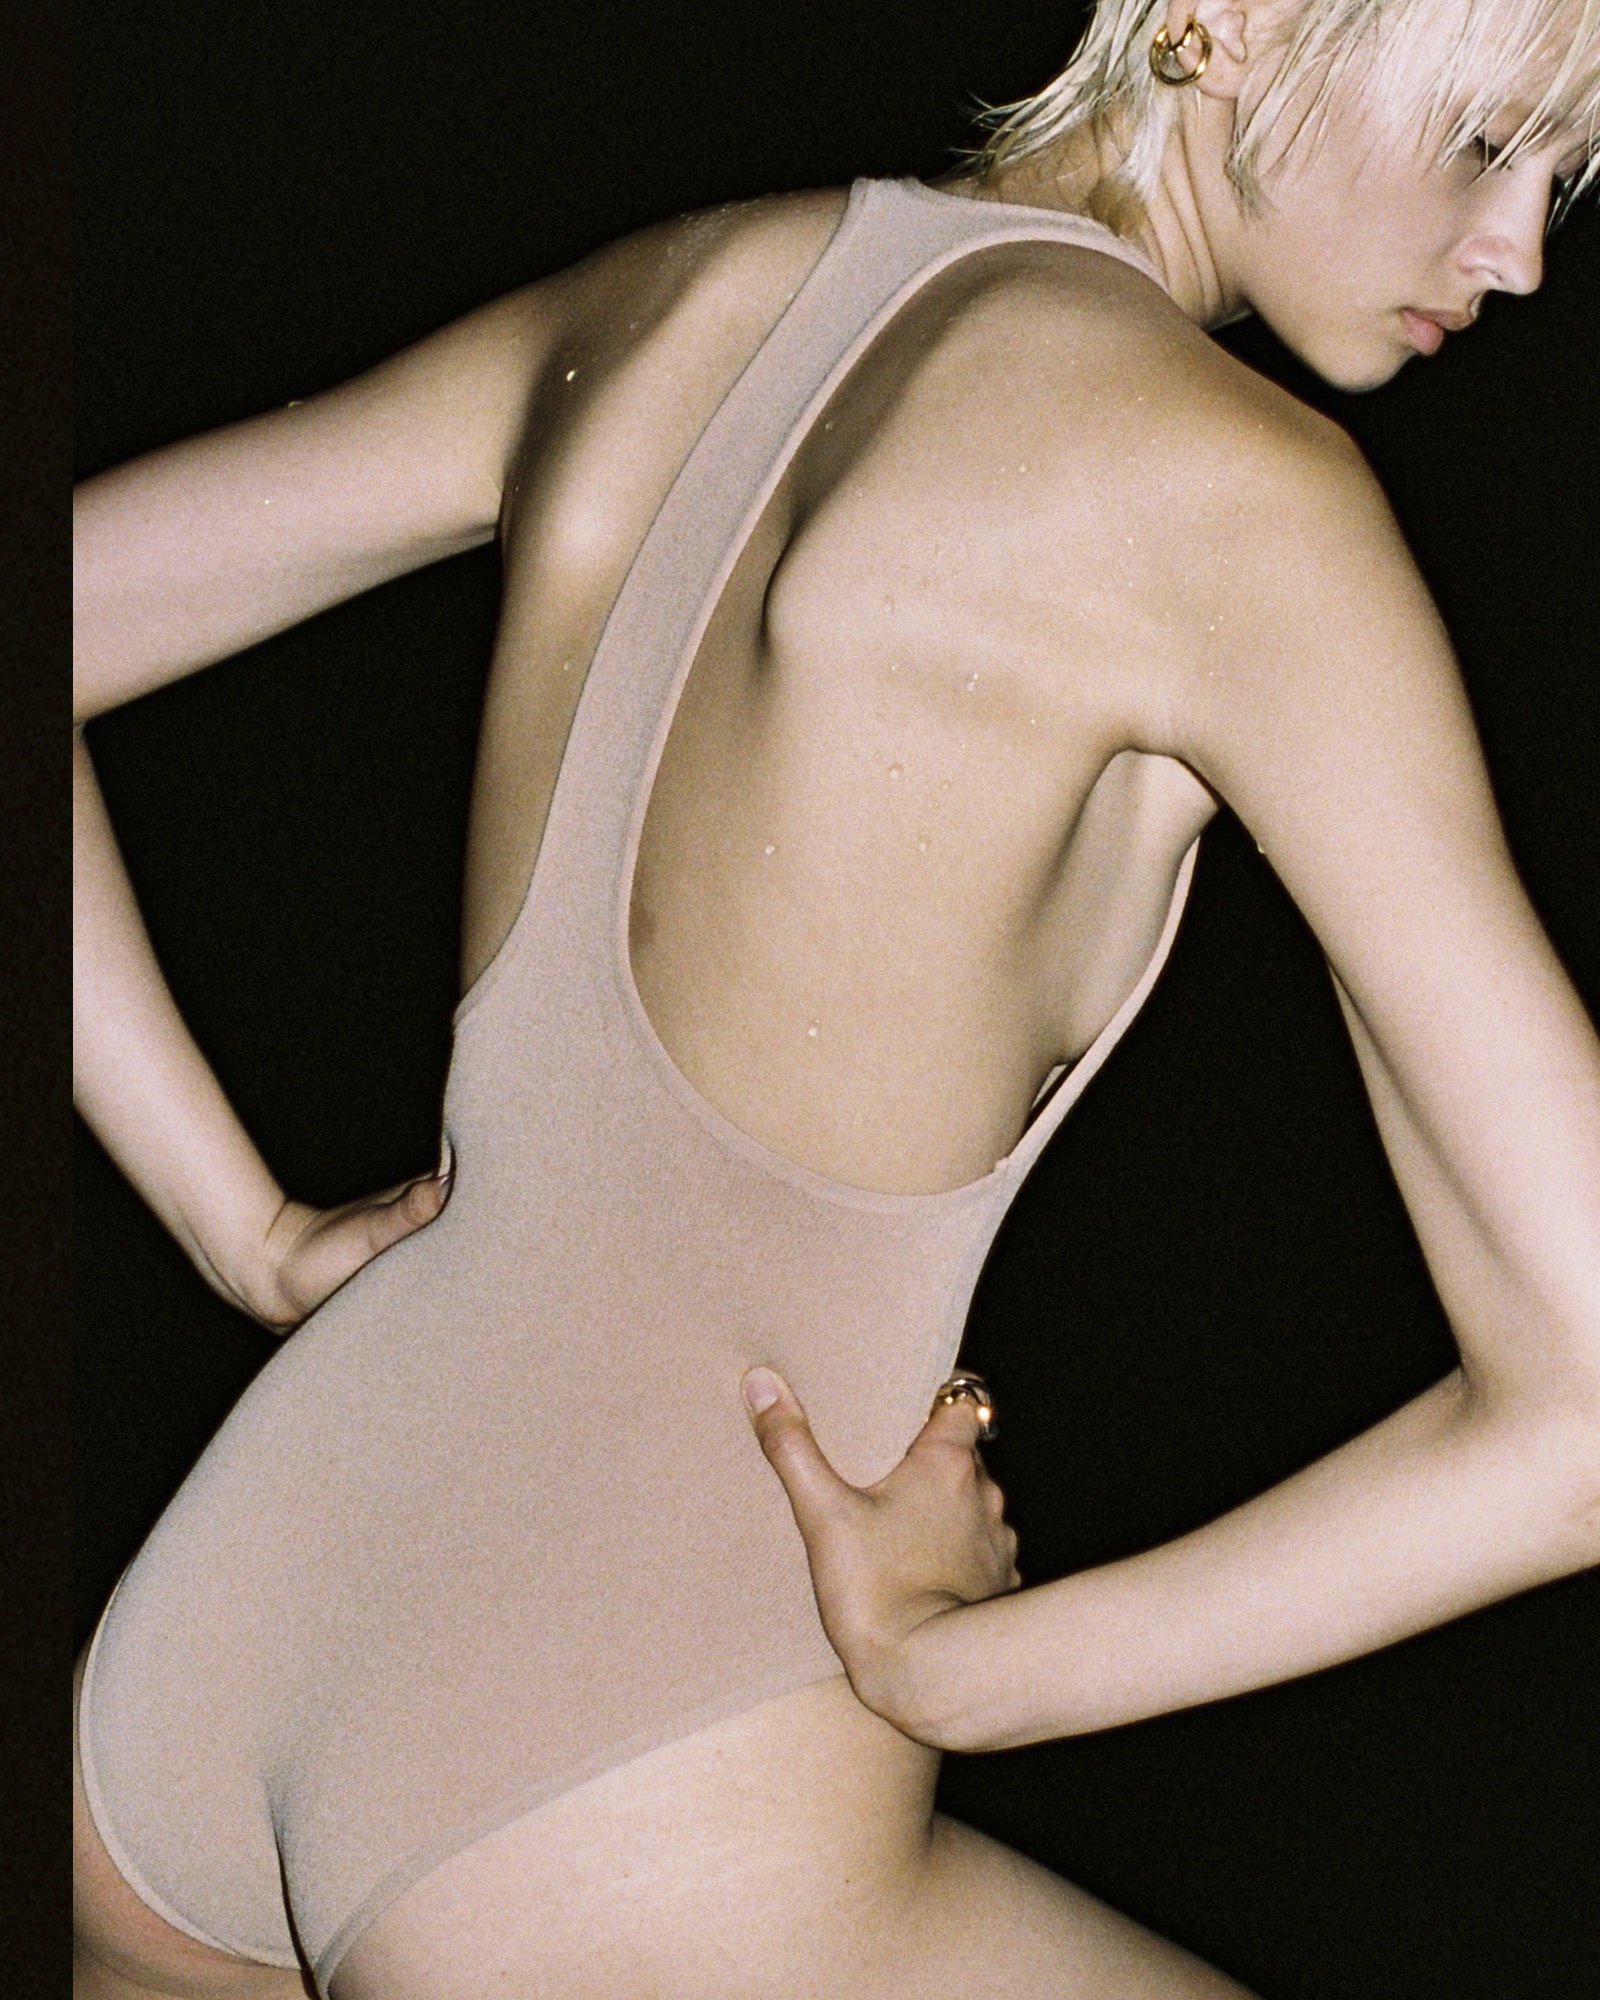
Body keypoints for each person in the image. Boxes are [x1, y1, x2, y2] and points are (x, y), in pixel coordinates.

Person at [73, 2, 1600, 1996]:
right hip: (633, 1786)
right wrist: (977, 1671)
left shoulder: (673, 290)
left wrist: (247, 1228)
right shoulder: (1232, 494)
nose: (1521, 252)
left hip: (208, 1649)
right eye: (1485, 138)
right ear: (1221, 22)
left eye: (1564, 174)